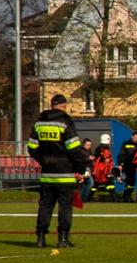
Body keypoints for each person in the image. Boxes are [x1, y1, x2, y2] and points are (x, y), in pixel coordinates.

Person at [28, 94, 91, 248]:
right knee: (65, 208)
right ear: (64, 105)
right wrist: (80, 169)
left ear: (51, 105)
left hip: (47, 174)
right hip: (66, 174)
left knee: (45, 206)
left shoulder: (39, 122)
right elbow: (74, 149)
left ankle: (40, 238)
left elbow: (32, 147)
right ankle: (62, 239)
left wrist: (44, 160)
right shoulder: (65, 121)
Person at [119, 130, 137, 202]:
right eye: (134, 137)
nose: (135, 139)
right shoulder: (126, 143)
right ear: (132, 137)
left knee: (133, 181)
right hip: (127, 164)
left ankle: (127, 196)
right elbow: (121, 154)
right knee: (130, 180)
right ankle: (127, 196)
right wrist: (120, 163)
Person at [89, 136, 114, 204]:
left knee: (95, 185)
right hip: (102, 170)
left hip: (97, 170)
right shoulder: (105, 150)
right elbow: (107, 161)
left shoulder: (98, 149)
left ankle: (88, 197)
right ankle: (113, 197)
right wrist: (108, 171)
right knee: (110, 183)